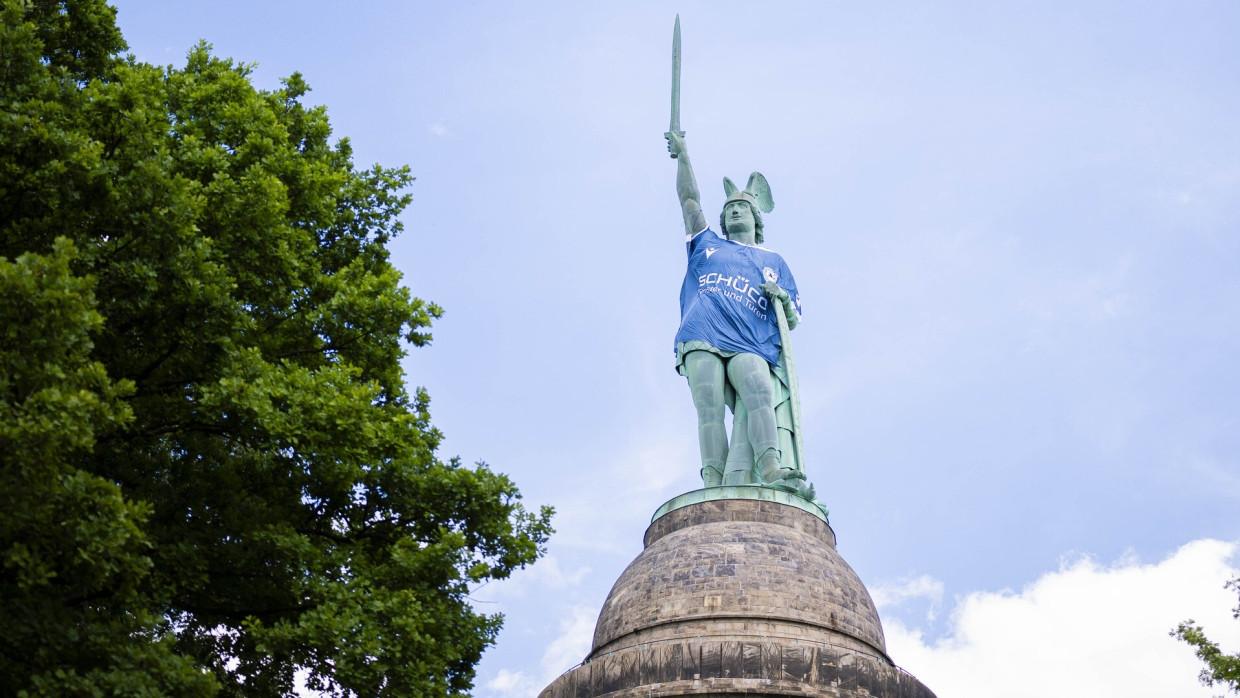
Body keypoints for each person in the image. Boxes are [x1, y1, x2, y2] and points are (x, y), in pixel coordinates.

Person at [665, 131, 811, 498]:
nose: (733, 211)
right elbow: (689, 200)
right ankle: (713, 483)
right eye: (729, 207)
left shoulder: (774, 261)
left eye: (741, 207)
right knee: (709, 407)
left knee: (759, 390)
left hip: (750, 341)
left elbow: (792, 317)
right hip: (703, 333)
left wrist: (780, 296)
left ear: (755, 217)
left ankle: (771, 467)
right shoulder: (707, 244)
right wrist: (683, 156)